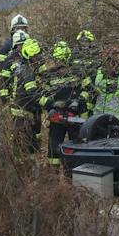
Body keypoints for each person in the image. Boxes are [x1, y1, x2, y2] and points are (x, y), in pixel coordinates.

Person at [42, 36, 89, 165]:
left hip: (75, 117)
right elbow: (44, 96)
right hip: (57, 117)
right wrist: (50, 108)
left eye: (62, 60)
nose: (59, 63)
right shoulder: (48, 75)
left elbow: (89, 90)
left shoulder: (78, 72)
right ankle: (53, 176)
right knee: (54, 148)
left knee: (78, 147)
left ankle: (76, 172)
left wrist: (78, 101)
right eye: (57, 59)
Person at [83, 45, 119, 132]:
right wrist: (86, 116)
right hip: (98, 119)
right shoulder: (95, 73)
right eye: (110, 59)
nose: (113, 62)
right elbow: (89, 95)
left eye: (117, 56)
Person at [5, 37, 43, 152]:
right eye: (36, 56)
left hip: (23, 110)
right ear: (30, 57)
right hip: (24, 112)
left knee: (23, 142)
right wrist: (47, 102)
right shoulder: (27, 71)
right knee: (25, 146)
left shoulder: (24, 67)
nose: (39, 59)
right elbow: (32, 92)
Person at [0, 13, 29, 105]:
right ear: (13, 29)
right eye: (18, 28)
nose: (21, 30)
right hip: (13, 81)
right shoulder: (6, 47)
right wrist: (5, 95)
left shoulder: (30, 44)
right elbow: (2, 70)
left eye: (23, 28)